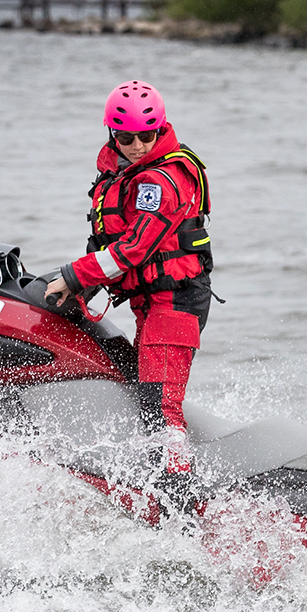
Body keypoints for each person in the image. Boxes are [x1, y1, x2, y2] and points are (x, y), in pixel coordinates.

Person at [45, 80, 213, 507]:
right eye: (125, 137)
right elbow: (105, 243)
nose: (137, 146)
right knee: (142, 391)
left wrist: (74, 275)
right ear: (111, 134)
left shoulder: (164, 181)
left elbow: (135, 248)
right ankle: (153, 486)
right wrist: (75, 288)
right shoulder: (119, 174)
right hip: (149, 302)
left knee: (159, 407)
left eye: (146, 135)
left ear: (160, 130)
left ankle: (180, 508)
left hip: (175, 302)